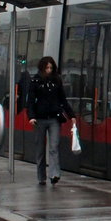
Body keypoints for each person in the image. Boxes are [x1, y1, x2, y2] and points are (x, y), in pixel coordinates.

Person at [27, 56, 75, 186]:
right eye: (47, 68)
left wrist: (71, 115)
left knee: (54, 146)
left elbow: (63, 100)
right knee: (40, 149)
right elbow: (30, 101)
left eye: (51, 68)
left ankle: (54, 174)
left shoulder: (57, 81)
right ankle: (41, 176)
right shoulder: (35, 81)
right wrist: (31, 117)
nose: (49, 70)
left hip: (54, 118)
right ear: (42, 68)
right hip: (39, 119)